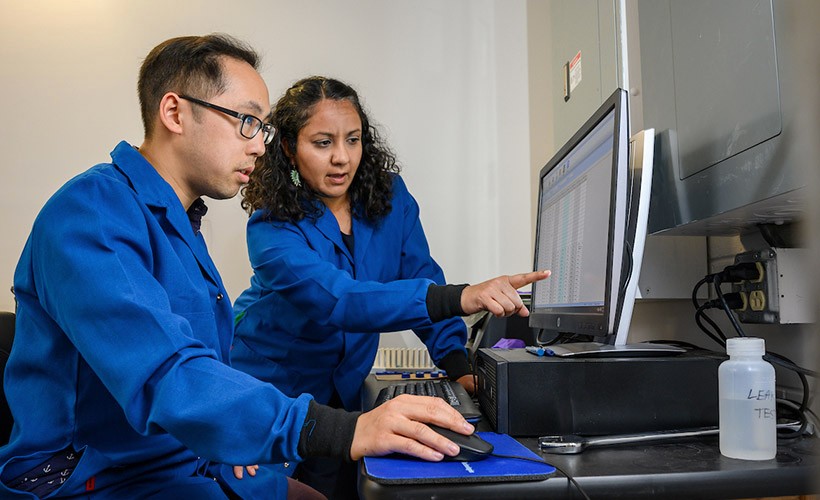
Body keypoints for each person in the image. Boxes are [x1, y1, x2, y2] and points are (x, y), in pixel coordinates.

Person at [0, 35, 482, 499]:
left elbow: (199, 368)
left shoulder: (177, 222)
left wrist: (227, 438)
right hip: (92, 473)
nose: (258, 144)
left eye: (263, 127)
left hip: (179, 452)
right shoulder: (91, 213)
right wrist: (337, 428)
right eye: (246, 122)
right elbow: (168, 375)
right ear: (174, 112)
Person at [232, 76, 550, 497]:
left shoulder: (390, 198)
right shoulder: (271, 224)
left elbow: (421, 274)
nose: (342, 158)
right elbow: (338, 299)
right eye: (323, 143)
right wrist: (461, 295)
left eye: (353, 139)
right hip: (269, 390)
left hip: (343, 397)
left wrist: (458, 366)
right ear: (289, 148)